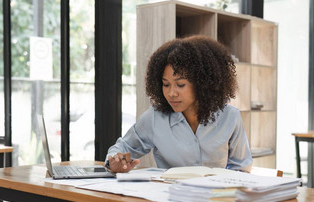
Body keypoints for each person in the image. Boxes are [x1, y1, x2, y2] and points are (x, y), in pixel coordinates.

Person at [105, 35, 252, 173]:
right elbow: (123, 146)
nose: (171, 93)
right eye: (166, 84)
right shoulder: (155, 118)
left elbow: (241, 168)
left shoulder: (230, 117)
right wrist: (114, 161)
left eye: (180, 85)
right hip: (170, 196)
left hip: (215, 198)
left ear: (202, 83)